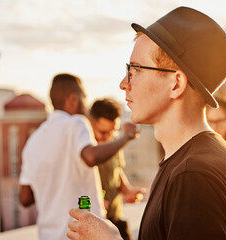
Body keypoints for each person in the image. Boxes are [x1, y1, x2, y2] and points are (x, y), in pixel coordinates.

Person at [67, 6, 226, 240]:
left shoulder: (194, 176)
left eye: (135, 69)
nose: (123, 84)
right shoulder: (189, 160)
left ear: (176, 84)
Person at [19, 73, 138, 240]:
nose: (86, 106)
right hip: (81, 234)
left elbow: (25, 198)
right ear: (73, 99)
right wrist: (126, 136)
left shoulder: (33, 141)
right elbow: (90, 157)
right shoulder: (76, 122)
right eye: (84, 98)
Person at [89, 98, 143, 240]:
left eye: (112, 132)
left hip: (116, 220)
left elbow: (117, 173)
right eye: (103, 132)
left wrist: (128, 191)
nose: (108, 138)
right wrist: (94, 201)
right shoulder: (85, 151)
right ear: (90, 123)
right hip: (94, 223)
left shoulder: (114, 144)